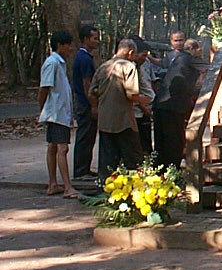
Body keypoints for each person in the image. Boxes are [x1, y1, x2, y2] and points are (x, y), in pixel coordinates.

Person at [89, 38, 150, 180]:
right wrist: (145, 100)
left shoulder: (104, 67)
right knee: (132, 159)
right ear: (130, 52)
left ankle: (105, 186)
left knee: (107, 159)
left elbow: (92, 92)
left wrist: (97, 106)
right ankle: (134, 186)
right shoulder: (128, 67)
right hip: (124, 121)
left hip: (105, 120)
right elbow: (131, 94)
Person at [38, 31, 79, 199]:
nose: (70, 48)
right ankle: (67, 187)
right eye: (68, 45)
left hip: (59, 112)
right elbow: (44, 88)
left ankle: (53, 184)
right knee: (62, 148)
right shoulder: (52, 63)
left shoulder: (59, 63)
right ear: (60, 45)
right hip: (56, 113)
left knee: (53, 146)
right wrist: (43, 109)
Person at [153, 36, 199, 168]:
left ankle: (160, 170)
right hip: (173, 107)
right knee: (174, 141)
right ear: (192, 50)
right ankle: (172, 170)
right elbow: (195, 84)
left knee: (161, 141)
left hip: (161, 104)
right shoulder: (189, 60)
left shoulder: (177, 60)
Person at [72, 24, 100, 180]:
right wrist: (93, 105)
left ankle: (85, 169)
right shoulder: (84, 59)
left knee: (89, 137)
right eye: (94, 38)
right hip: (85, 104)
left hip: (85, 102)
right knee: (85, 136)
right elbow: (87, 84)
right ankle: (81, 171)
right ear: (85, 39)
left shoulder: (86, 57)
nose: (97, 41)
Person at [130, 36, 156, 155]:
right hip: (135, 110)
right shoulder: (129, 68)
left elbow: (151, 82)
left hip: (146, 107)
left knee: (146, 140)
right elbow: (132, 93)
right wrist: (143, 107)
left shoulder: (145, 64)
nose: (145, 58)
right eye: (143, 55)